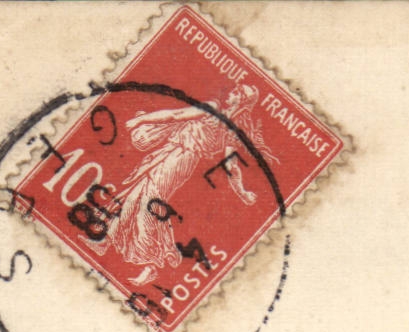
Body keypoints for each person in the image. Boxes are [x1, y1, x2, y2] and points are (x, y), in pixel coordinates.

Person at [87, 83, 275, 284]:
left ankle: (151, 263)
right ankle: (107, 241)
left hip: (180, 160)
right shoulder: (219, 114)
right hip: (169, 153)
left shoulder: (228, 125)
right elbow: (175, 115)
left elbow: (229, 163)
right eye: (235, 89)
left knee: (147, 205)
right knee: (134, 195)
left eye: (238, 94)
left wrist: (242, 191)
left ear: (243, 104)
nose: (232, 93)